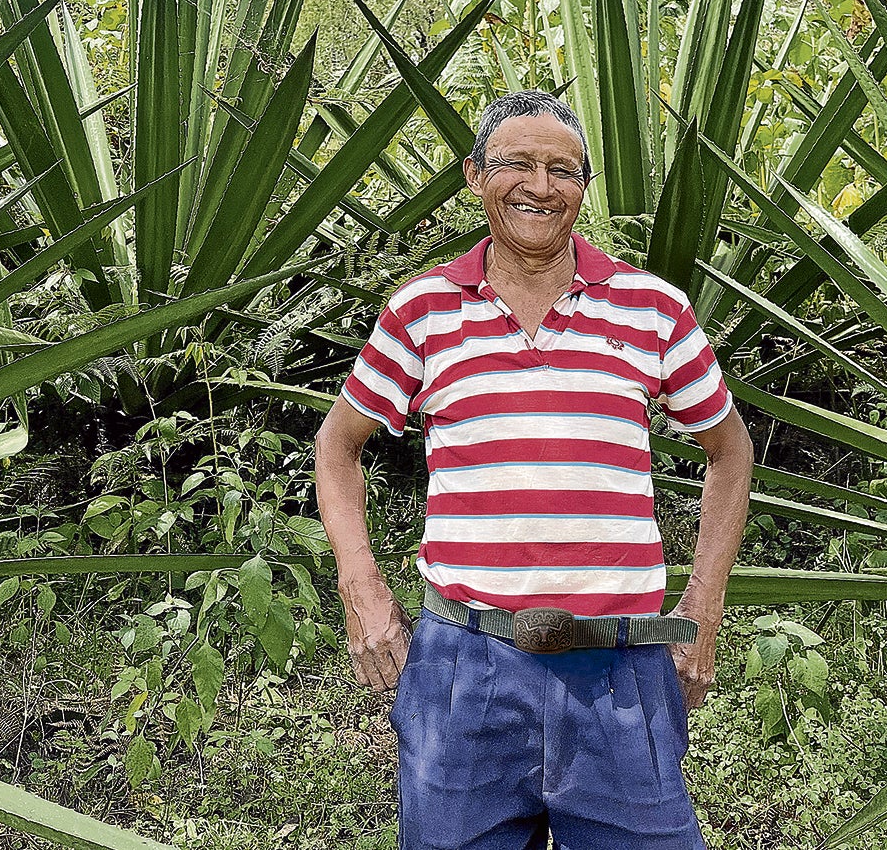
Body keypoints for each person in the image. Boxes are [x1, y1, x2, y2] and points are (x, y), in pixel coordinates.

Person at [315, 89, 754, 849]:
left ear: (583, 187)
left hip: (622, 669)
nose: (540, 186)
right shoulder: (422, 312)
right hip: (464, 669)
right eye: (517, 164)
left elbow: (731, 449)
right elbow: (337, 445)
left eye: (563, 170)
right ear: (474, 175)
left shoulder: (652, 309)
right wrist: (362, 589)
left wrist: (704, 607)